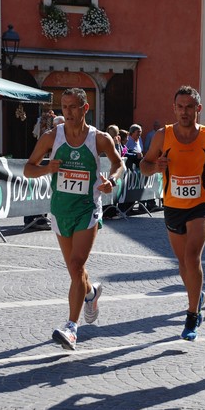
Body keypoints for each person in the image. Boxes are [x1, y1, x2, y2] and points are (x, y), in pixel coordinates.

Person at [23, 88, 124, 350]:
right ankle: (91, 294)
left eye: (73, 107)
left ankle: (71, 327)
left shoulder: (99, 139)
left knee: (77, 264)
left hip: (86, 210)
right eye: (64, 107)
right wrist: (47, 168)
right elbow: (28, 169)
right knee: (74, 271)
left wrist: (111, 180)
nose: (67, 112)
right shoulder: (51, 136)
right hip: (60, 211)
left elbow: (119, 163)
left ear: (85, 108)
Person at [140, 85, 205, 341]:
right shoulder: (163, 136)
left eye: (189, 107)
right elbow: (143, 165)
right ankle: (196, 295)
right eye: (180, 107)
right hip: (173, 204)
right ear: (174, 109)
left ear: (198, 108)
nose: (184, 112)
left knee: (192, 256)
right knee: (183, 264)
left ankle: (192, 315)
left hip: (202, 202)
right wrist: (155, 167)